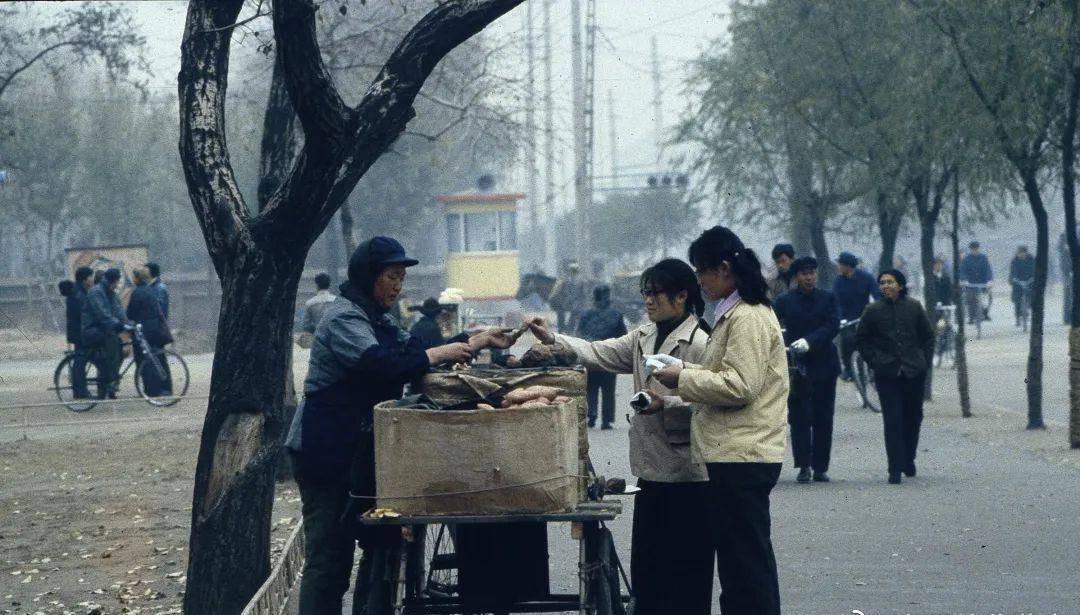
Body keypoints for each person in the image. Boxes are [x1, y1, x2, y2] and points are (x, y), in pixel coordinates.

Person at [284, 236, 512, 615]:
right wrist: (439, 352)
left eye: (402, 278)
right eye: (391, 276)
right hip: (325, 453)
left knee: (381, 545)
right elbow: (384, 364)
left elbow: (408, 351)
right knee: (329, 560)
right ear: (368, 275)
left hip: (363, 452)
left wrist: (477, 340)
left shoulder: (378, 318)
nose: (397, 285)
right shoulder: (343, 318)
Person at [526, 258, 713, 615]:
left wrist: (667, 404)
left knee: (689, 573)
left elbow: (715, 401)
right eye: (646, 293)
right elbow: (598, 352)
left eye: (657, 293)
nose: (649, 300)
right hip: (650, 471)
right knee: (649, 569)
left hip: (689, 475)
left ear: (681, 297)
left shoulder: (700, 343)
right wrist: (553, 338)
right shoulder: (642, 336)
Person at [651, 226, 788, 615]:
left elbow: (741, 385)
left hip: (742, 455)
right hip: (735, 453)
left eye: (702, 272)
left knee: (745, 567)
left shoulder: (747, 317)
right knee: (742, 562)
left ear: (725, 269)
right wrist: (686, 372)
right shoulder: (735, 314)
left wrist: (683, 377)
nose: (699, 281)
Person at [855, 270, 934, 484]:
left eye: (890, 282)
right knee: (892, 420)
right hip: (887, 373)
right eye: (882, 283)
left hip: (913, 372)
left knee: (913, 417)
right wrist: (875, 361)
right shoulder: (872, 310)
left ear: (900, 285)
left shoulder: (914, 307)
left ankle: (909, 457)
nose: (885, 286)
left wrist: (923, 362)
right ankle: (894, 468)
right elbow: (861, 340)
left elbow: (928, 337)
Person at [775, 256, 840, 484]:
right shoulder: (784, 301)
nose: (809, 277)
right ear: (796, 277)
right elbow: (771, 324)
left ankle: (820, 467)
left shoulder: (827, 298)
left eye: (812, 273)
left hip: (824, 365)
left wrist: (809, 341)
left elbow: (833, 325)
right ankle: (803, 466)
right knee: (800, 418)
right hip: (797, 368)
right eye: (804, 273)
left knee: (824, 417)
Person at [575, 285, 628, 428]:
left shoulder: (586, 314)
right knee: (608, 390)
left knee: (591, 387)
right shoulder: (616, 314)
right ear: (608, 296)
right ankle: (606, 420)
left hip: (590, 354)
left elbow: (579, 334)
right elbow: (623, 336)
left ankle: (591, 415)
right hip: (609, 356)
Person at [831, 251, 879, 381]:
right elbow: (836, 301)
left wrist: (878, 309)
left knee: (870, 342)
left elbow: (877, 295)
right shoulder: (838, 281)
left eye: (840, 264)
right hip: (847, 318)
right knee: (847, 340)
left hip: (864, 315)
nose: (838, 267)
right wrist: (840, 318)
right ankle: (848, 369)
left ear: (848, 266)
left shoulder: (866, 278)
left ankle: (872, 369)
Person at [81, 268, 128, 399]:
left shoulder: (110, 292)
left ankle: (111, 378)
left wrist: (127, 323)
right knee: (112, 339)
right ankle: (111, 379)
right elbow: (103, 314)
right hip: (92, 329)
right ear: (113, 281)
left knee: (118, 347)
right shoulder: (96, 292)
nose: (118, 285)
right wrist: (117, 324)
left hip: (103, 328)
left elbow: (117, 309)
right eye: (117, 282)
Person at [127, 267, 172, 397]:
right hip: (155, 329)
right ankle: (162, 389)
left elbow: (130, 313)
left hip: (143, 331)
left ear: (137, 278)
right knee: (156, 358)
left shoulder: (137, 292)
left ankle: (150, 390)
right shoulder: (151, 290)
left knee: (143, 360)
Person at [61, 267, 95, 398]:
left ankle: (80, 389)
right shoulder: (78, 294)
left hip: (78, 332)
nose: (92, 280)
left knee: (80, 360)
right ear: (85, 279)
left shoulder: (79, 291)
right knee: (80, 360)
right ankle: (80, 390)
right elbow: (83, 314)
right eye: (90, 277)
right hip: (79, 332)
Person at [958, 241, 993, 323]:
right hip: (971, 283)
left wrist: (989, 281)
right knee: (970, 299)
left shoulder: (984, 258)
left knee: (989, 297)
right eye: (973, 249)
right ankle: (971, 317)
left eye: (976, 249)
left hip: (982, 283)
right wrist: (964, 280)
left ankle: (985, 312)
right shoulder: (966, 260)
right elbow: (963, 271)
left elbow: (988, 270)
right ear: (970, 250)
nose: (975, 250)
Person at [1009, 246, 1035, 327]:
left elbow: (1035, 270)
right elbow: (1012, 272)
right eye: (1020, 253)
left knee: (1032, 297)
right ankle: (1017, 318)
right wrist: (1014, 279)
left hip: (1029, 282)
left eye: (1023, 253)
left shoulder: (1032, 260)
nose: (1021, 255)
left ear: (1026, 253)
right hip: (1018, 283)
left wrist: (1034, 278)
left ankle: (1028, 310)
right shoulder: (1014, 261)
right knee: (1017, 301)